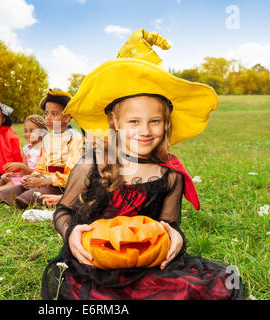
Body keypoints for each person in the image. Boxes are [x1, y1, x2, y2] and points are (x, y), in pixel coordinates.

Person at [41, 30, 244, 300]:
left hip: (148, 263)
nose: (145, 131)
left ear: (166, 123)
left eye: (155, 121)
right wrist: (71, 232)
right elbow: (63, 211)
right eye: (134, 122)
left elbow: (169, 224)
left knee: (182, 290)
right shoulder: (93, 164)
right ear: (114, 121)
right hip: (96, 261)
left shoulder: (170, 175)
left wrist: (177, 238)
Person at [0, 90, 85, 209]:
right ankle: (27, 191)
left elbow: (72, 173)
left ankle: (38, 198)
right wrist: (32, 177)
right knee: (6, 195)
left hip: (60, 185)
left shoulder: (74, 137)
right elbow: (41, 166)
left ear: (67, 117)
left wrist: (44, 181)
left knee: (25, 199)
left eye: (54, 114)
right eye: (46, 114)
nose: (48, 118)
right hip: (44, 180)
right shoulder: (47, 138)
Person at [0, 115, 48, 204]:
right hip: (24, 177)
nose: (27, 134)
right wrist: (13, 175)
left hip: (34, 180)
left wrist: (21, 166)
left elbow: (41, 174)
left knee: (10, 185)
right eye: (26, 131)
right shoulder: (26, 148)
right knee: (0, 181)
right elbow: (23, 173)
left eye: (32, 131)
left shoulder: (44, 149)